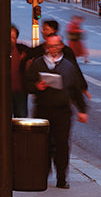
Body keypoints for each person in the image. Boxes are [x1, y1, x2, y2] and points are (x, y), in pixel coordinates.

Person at [26, 35, 89, 189]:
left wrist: (82, 110)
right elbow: (27, 84)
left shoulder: (68, 66)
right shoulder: (38, 64)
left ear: (61, 46)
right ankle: (42, 176)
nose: (52, 49)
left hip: (63, 111)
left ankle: (62, 178)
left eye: (55, 46)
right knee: (42, 145)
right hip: (43, 110)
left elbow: (75, 89)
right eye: (50, 46)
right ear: (46, 47)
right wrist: (36, 87)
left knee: (62, 145)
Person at [9, 25, 32, 118]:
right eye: (8, 36)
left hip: (20, 92)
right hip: (5, 93)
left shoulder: (22, 50)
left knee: (21, 119)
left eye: (13, 37)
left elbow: (36, 52)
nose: (11, 39)